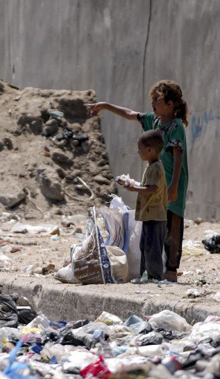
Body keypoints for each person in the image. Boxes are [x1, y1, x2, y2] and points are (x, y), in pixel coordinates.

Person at [86, 80, 190, 282]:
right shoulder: (156, 121)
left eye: (157, 100)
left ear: (170, 104)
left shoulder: (175, 126)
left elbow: (178, 156)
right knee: (157, 222)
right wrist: (106, 105)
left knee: (173, 222)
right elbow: (131, 114)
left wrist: (175, 184)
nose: (152, 103)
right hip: (156, 180)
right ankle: (153, 268)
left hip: (172, 180)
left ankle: (171, 268)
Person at [118, 129, 167, 281]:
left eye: (140, 149)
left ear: (150, 150)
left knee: (153, 248)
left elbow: (153, 189)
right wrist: (132, 183)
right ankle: (145, 275)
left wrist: (134, 188)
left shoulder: (156, 168)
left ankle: (155, 276)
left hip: (155, 215)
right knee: (145, 246)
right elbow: (148, 186)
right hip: (149, 214)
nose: (138, 152)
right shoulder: (150, 166)